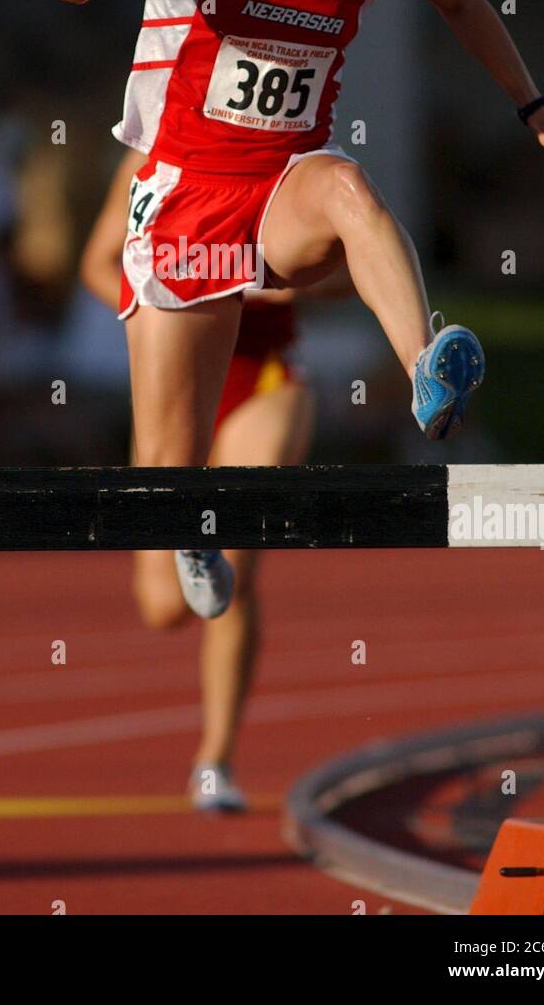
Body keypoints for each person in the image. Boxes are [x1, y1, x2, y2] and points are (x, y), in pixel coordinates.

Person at [56, 0, 544, 620]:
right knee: (163, 473)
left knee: (348, 185)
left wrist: (535, 110)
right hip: (184, 196)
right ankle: (188, 523)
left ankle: (427, 367)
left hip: (281, 190)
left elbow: (462, 1)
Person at [80, 145, 338, 808]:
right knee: (164, 606)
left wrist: (262, 271)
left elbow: (341, 268)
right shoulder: (146, 160)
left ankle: (214, 761)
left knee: (234, 568)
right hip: (179, 378)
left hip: (264, 377)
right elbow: (98, 260)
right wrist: (165, 290)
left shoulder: (292, 152)